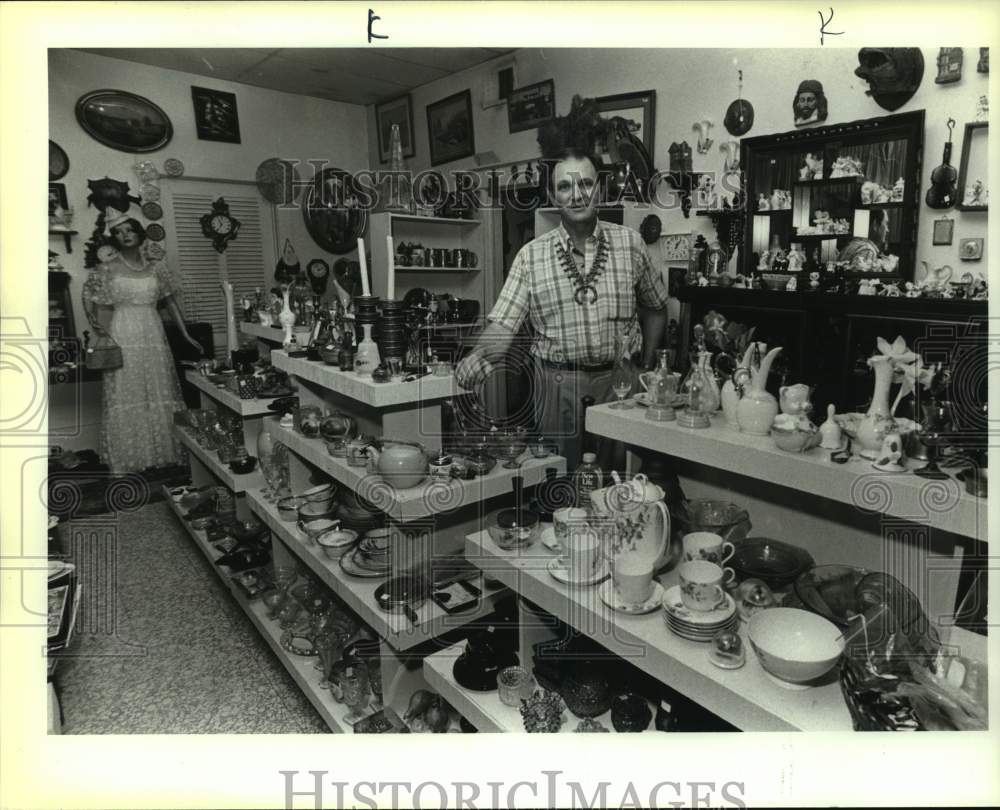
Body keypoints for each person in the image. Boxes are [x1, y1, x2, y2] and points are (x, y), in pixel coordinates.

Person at [455, 148, 670, 471]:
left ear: (599, 189)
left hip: (621, 384)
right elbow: (503, 324)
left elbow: (656, 307)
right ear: (553, 195)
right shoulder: (531, 256)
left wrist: (648, 365)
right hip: (557, 386)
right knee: (561, 480)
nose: (577, 195)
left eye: (585, 183)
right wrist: (477, 358)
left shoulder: (632, 244)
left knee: (620, 481)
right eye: (565, 187)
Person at [82, 209, 203, 473]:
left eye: (129, 230)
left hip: (152, 331)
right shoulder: (107, 268)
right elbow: (88, 294)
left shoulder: (156, 267)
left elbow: (170, 301)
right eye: (118, 232)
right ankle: (131, 459)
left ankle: (163, 454)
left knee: (159, 389)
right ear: (113, 238)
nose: (125, 235)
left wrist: (185, 334)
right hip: (123, 330)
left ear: (138, 232)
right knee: (128, 390)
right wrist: (95, 325)